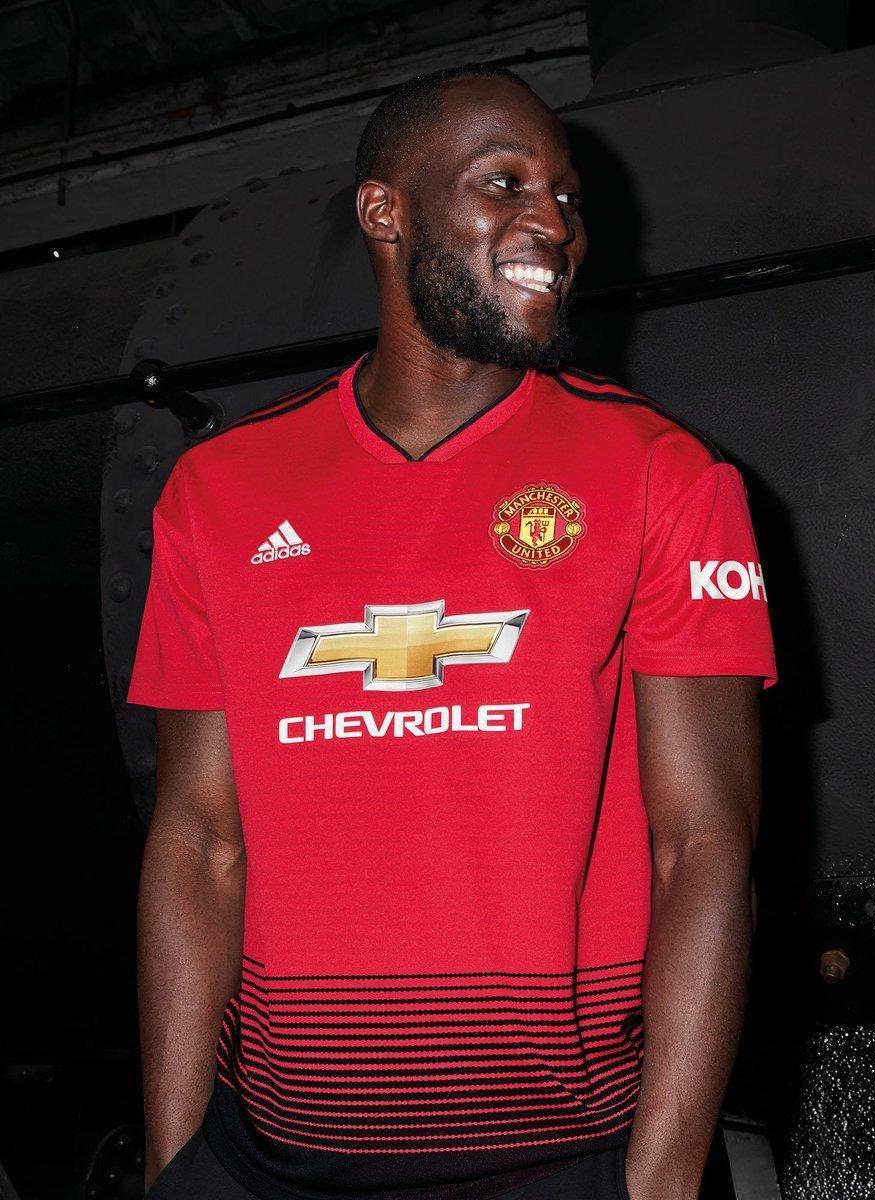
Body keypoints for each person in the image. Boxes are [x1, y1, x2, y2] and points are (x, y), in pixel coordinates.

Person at [129, 63, 776, 1200]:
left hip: (555, 1155)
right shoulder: (218, 492)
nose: (553, 224)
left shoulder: (663, 476)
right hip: (263, 1157)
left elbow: (705, 847)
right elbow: (197, 843)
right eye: (504, 183)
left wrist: (662, 1182)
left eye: (566, 196)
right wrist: (173, 1161)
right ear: (386, 212)